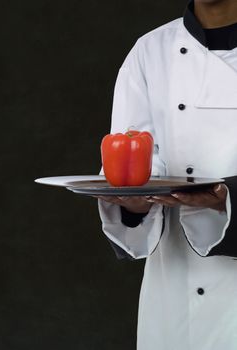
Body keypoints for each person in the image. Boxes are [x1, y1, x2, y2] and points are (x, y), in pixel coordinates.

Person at [95, 0, 237, 348]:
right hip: (175, 293)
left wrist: (226, 199)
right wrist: (133, 206)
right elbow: (137, 161)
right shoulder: (150, 52)